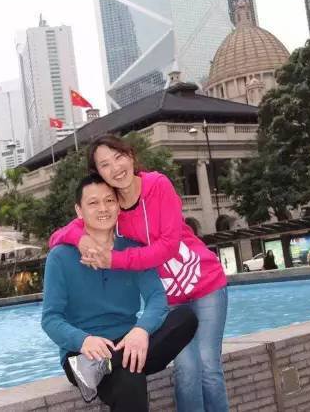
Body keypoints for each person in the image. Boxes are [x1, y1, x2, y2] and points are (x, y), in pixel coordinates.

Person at [50, 134, 230, 412]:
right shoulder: (112, 209)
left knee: (208, 365)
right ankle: (103, 364)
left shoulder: (157, 185)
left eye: (119, 157)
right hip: (170, 295)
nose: (115, 168)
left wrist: (114, 260)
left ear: (131, 156)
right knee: (186, 370)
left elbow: (168, 247)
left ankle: (102, 365)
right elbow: (59, 236)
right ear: (98, 173)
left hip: (205, 282)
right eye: (105, 164)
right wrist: (81, 239)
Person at [42, 174, 198, 411]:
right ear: (79, 211)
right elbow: (51, 318)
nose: (103, 208)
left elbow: (157, 298)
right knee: (131, 378)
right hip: (84, 352)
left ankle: (107, 365)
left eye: (109, 201)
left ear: (118, 206)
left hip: (130, 341)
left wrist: (141, 330)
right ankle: (101, 364)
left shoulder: (132, 250)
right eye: (93, 203)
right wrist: (83, 340)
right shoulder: (60, 257)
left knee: (185, 318)